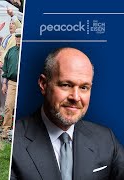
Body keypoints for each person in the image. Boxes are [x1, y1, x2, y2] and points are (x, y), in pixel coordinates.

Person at [10, 47, 124, 179]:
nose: (75, 97)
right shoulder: (15, 143)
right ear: (43, 84)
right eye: (66, 85)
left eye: (84, 87)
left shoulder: (106, 139)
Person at [0, 32, 20, 139]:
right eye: (17, 36)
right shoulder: (11, 51)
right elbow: (6, 69)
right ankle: (5, 130)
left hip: (23, 82)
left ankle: (20, 131)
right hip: (12, 82)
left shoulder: (27, 50)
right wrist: (4, 83)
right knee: (8, 106)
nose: (18, 38)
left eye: (20, 36)